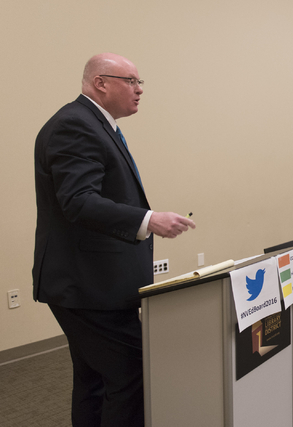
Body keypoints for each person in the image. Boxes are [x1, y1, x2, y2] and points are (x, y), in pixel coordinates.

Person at [33, 53, 196, 427]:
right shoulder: (75, 125)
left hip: (91, 284)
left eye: (140, 82)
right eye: (131, 81)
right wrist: (148, 219)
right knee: (130, 376)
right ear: (100, 83)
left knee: (93, 380)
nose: (139, 90)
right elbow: (79, 201)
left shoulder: (95, 124)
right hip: (88, 285)